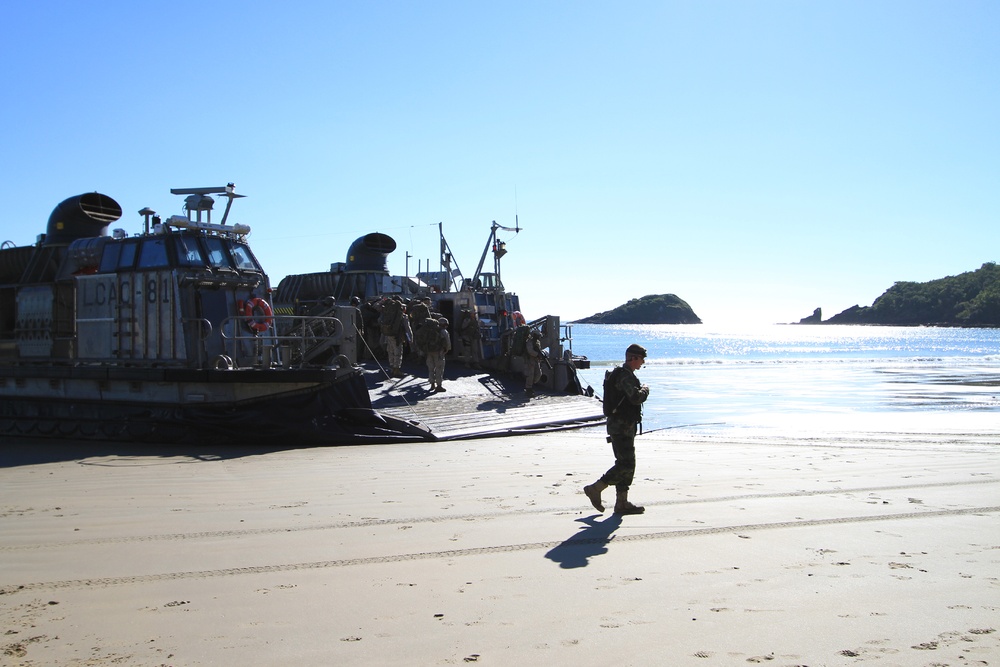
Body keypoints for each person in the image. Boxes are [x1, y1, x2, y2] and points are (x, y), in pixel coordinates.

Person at [584, 343, 650, 515]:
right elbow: (635, 397)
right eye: (641, 359)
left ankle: (622, 503)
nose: (642, 362)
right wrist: (645, 390)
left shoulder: (623, 374)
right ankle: (596, 488)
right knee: (625, 464)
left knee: (628, 463)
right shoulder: (624, 376)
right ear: (633, 358)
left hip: (622, 425)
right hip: (621, 426)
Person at [379, 295, 407, 377]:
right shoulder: (400, 313)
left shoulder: (387, 311)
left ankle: (391, 367)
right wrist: (410, 338)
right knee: (398, 352)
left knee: (390, 351)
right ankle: (397, 369)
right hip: (397, 335)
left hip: (388, 333)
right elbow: (406, 327)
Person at [424, 317, 452, 392]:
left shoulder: (430, 331)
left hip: (429, 351)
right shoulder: (444, 331)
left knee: (431, 368)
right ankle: (439, 385)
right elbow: (448, 343)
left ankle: (432, 384)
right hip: (439, 352)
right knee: (439, 369)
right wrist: (446, 350)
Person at [523, 329, 543, 398]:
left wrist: (540, 355)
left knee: (538, 374)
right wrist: (537, 354)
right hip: (530, 360)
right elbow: (530, 351)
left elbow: (539, 349)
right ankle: (528, 388)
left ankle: (531, 385)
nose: (538, 337)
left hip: (536, 360)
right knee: (530, 374)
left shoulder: (537, 342)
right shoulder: (529, 342)